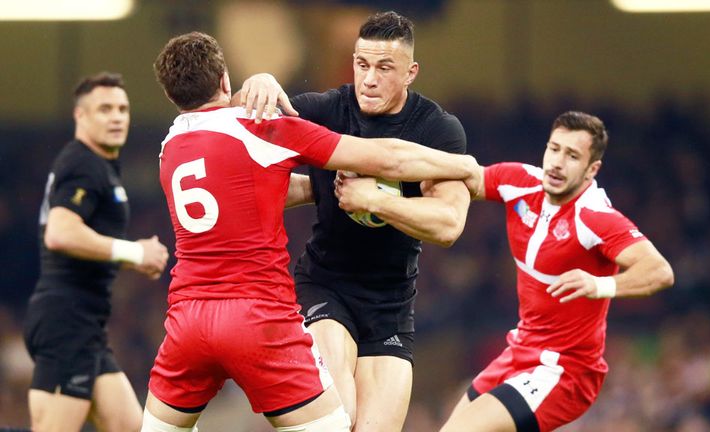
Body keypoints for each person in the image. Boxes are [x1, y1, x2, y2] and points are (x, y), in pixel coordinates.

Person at [144, 31, 478, 432]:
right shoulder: (261, 128)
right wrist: (466, 167)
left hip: (187, 320)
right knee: (335, 425)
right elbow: (387, 158)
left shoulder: (169, 145)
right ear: (225, 80)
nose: (369, 78)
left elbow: (257, 187)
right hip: (259, 315)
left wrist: (333, 189)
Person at [238, 11, 469, 431]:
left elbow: (449, 224)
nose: (369, 79)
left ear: (411, 73)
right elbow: (232, 131)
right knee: (336, 419)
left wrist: (375, 199)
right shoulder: (327, 109)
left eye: (384, 68)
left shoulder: (437, 130)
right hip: (325, 285)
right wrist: (259, 85)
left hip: (391, 304)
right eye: (362, 64)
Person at [415, 111, 673, 432]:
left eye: (572, 156)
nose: (558, 162)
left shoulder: (594, 216)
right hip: (520, 352)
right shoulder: (521, 182)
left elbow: (659, 271)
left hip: (565, 371)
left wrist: (599, 284)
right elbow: (469, 179)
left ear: (592, 170)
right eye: (554, 149)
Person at [22, 72, 170, 432]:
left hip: (86, 326)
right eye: (104, 109)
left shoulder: (100, 166)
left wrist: (133, 257)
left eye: (122, 109)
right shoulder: (83, 163)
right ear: (81, 116)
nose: (116, 117)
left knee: (128, 426)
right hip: (66, 322)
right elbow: (60, 232)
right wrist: (134, 253)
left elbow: (80, 239)